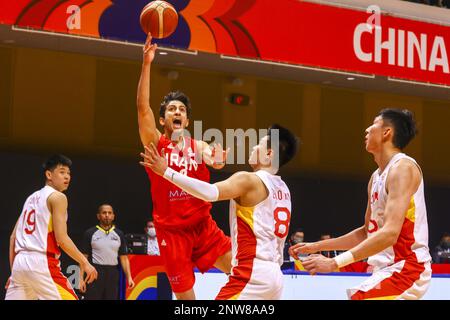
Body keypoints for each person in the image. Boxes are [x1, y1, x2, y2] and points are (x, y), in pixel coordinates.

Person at [141, 124, 299, 300]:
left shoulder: (248, 180)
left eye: (258, 145)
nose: (253, 148)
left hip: (251, 275)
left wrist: (166, 172)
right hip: (275, 277)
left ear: (269, 154)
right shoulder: (283, 189)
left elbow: (209, 192)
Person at [290, 108, 432, 300]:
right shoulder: (375, 177)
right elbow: (367, 232)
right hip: (387, 270)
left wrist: (334, 263)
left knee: (359, 297)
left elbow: (390, 234)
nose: (367, 130)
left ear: (386, 132)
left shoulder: (403, 168)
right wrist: (317, 246)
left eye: (373, 124)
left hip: (407, 268)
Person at [135, 33, 232, 300]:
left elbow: (215, 158)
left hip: (203, 226)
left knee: (241, 273)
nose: (177, 112)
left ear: (187, 121)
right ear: (163, 118)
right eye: (171, 109)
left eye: (181, 110)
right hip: (172, 234)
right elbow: (142, 109)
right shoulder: (156, 144)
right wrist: (146, 63)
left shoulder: (197, 145)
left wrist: (219, 158)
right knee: (187, 301)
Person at [5, 154, 98, 300]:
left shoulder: (30, 198)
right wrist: (85, 262)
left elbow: (13, 237)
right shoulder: (58, 197)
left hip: (19, 264)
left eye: (68, 173)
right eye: (62, 172)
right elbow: (61, 239)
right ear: (49, 174)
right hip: (41, 262)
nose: (67, 176)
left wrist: (14, 272)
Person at [79, 204, 135, 300]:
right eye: (104, 213)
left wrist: (129, 277)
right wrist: (80, 279)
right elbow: (83, 257)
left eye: (109, 213)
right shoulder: (90, 233)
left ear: (113, 216)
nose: (107, 215)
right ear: (98, 216)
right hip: (95, 272)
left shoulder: (119, 234)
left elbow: (124, 258)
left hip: (113, 273)